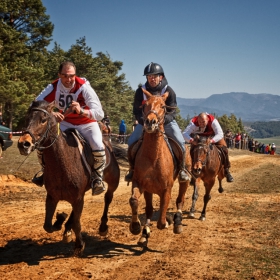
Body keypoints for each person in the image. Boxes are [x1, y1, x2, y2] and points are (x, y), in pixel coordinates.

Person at [33, 61, 106, 195]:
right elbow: (36, 104)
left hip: (87, 123)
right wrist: (51, 113)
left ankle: (97, 178)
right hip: (66, 123)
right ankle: (45, 172)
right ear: (59, 75)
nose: (69, 79)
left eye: (72, 76)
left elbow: (100, 114)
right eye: (65, 76)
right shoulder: (53, 87)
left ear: (75, 75)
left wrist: (82, 111)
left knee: (98, 145)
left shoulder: (83, 87)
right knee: (44, 144)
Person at [125, 62, 189, 183]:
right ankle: (132, 169)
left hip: (166, 123)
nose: (152, 79)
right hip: (146, 122)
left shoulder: (169, 91)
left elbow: (173, 112)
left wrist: (164, 120)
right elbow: (136, 111)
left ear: (161, 77)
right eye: (149, 76)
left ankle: (182, 169)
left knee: (180, 141)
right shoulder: (140, 91)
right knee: (131, 141)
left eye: (154, 76)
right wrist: (144, 121)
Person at [182, 112, 234, 182]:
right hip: (199, 137)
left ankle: (227, 170)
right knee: (193, 149)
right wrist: (191, 141)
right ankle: (192, 169)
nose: (201, 124)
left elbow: (220, 134)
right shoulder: (193, 122)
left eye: (203, 122)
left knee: (224, 148)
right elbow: (184, 134)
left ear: (207, 120)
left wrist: (212, 141)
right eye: (199, 122)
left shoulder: (213, 121)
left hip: (212, 136)